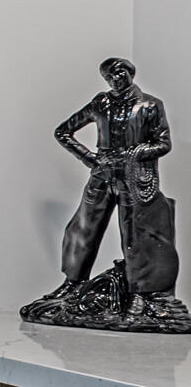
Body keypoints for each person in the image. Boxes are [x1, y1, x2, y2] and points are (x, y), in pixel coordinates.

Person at [46, 57, 178, 302]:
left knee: (135, 236)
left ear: (130, 73)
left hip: (134, 178)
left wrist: (133, 154)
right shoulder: (101, 103)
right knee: (83, 228)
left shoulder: (150, 105)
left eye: (119, 73)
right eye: (108, 76)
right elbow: (63, 131)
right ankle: (72, 283)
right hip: (102, 174)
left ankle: (141, 294)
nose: (115, 79)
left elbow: (163, 143)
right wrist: (89, 158)